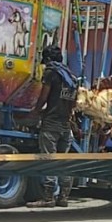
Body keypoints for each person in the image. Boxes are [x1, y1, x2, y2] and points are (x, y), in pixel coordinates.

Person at [26, 46, 78, 209]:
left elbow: (44, 96)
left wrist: (35, 112)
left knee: (48, 159)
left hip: (51, 124)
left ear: (48, 59)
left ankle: (48, 198)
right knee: (62, 161)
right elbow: (74, 103)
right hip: (65, 124)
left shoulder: (52, 73)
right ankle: (63, 197)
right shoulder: (71, 77)